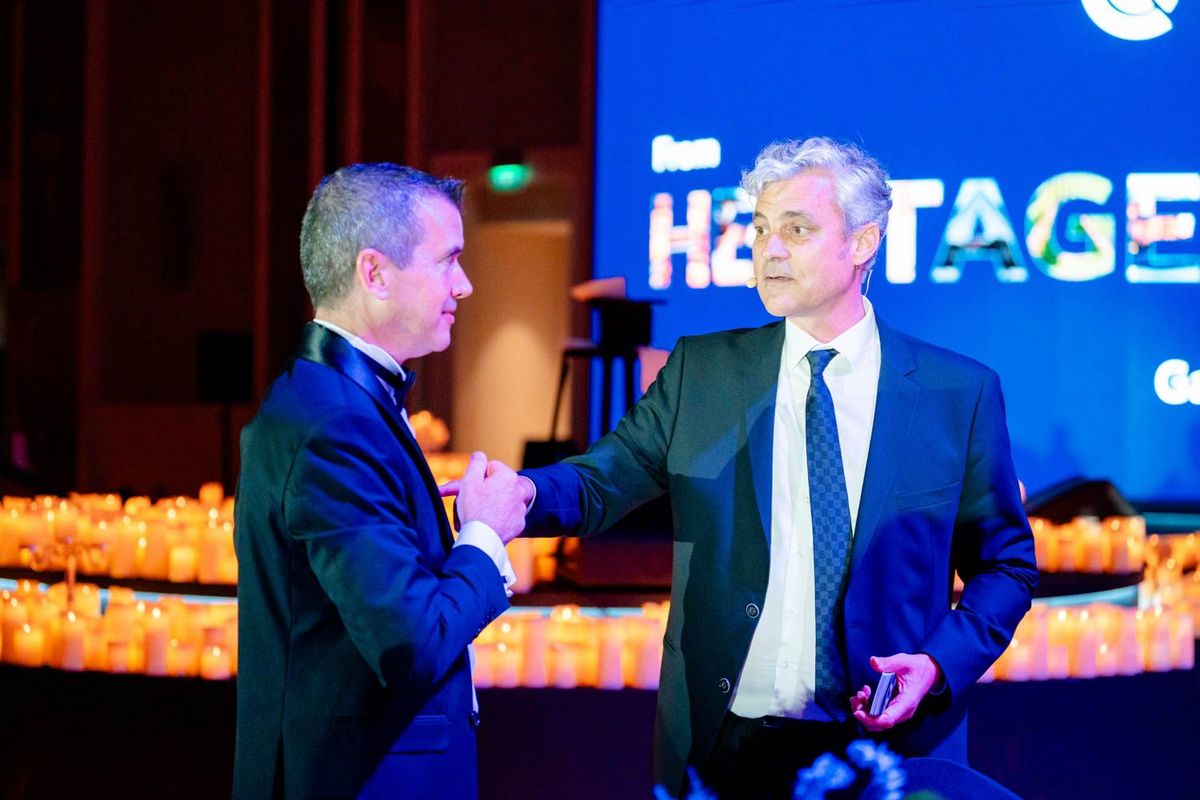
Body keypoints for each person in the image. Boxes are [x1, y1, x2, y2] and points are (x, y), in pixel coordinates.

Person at [519, 137, 1037, 799]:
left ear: (863, 243)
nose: (769, 250)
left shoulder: (956, 393)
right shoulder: (704, 373)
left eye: (796, 230)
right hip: (727, 746)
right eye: (761, 229)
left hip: (891, 751)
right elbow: (603, 479)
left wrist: (937, 666)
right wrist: (521, 493)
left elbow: (1005, 566)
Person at [233, 163, 528, 799]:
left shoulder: (332, 401)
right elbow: (409, 646)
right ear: (375, 274)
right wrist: (484, 535)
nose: (465, 285)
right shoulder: (333, 423)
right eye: (448, 261)